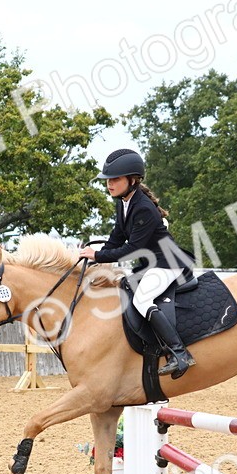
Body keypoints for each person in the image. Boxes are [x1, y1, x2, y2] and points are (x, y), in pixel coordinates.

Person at [77, 149, 197, 378]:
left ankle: (180, 353)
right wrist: (93, 258)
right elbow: (116, 239)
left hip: (167, 263)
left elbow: (133, 248)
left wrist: (98, 256)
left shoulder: (143, 207)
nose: (109, 184)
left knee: (142, 300)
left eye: (115, 179)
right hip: (151, 264)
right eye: (108, 180)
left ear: (132, 180)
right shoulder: (123, 202)